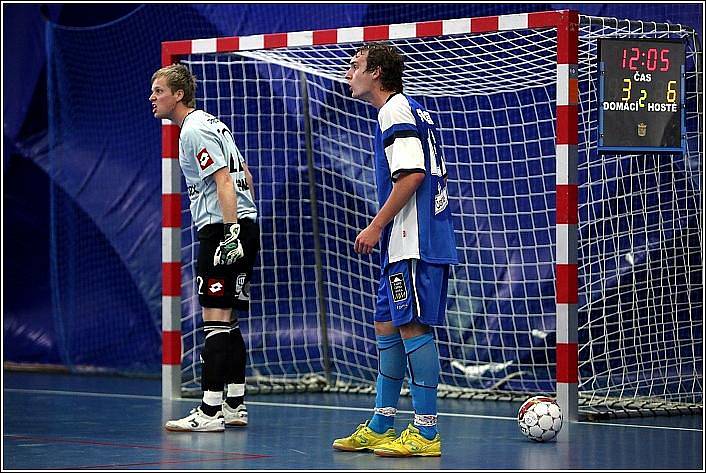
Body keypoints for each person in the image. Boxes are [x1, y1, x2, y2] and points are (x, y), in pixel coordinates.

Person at [332, 43, 458, 457]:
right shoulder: (406, 109)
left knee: (413, 328)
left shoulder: (395, 110)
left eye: (356, 66)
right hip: (401, 243)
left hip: (414, 241)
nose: (348, 72)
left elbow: (412, 176)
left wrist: (375, 224)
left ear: (378, 74)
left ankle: (425, 433)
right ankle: (382, 422)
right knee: (387, 325)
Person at [150, 63, 260, 432]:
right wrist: (245, 226)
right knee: (228, 320)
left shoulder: (193, 130)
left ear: (178, 95)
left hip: (222, 229)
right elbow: (246, 173)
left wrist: (229, 233)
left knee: (214, 320)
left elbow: (225, 180)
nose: (153, 97)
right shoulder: (215, 124)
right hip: (245, 224)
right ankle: (234, 404)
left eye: (159, 90)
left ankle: (209, 412)